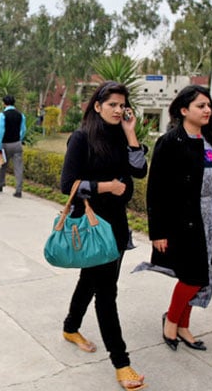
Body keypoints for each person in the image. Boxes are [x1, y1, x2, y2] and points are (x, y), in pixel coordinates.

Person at [59, 82, 148, 391]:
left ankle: (71, 328)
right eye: (111, 104)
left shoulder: (122, 136)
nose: (118, 109)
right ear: (97, 106)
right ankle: (121, 363)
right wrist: (106, 186)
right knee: (106, 292)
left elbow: (140, 170)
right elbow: (67, 184)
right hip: (92, 226)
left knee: (91, 281)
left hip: (117, 227)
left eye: (122, 105)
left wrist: (131, 132)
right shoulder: (82, 138)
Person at [146, 85, 212, 353]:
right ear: (183, 110)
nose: (207, 110)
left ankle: (182, 325)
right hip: (184, 222)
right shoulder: (169, 142)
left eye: (209, 106)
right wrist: (158, 232)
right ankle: (172, 321)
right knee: (192, 276)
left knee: (201, 275)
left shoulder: (209, 142)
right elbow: (156, 190)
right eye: (201, 106)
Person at [0, 95, 26, 198]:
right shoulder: (21, 115)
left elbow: (0, 131)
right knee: (18, 167)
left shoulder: (3, 115)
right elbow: (23, 130)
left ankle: (0, 184)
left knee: (1, 165)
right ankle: (18, 190)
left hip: (4, 144)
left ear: (4, 103)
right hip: (17, 144)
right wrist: (19, 139)